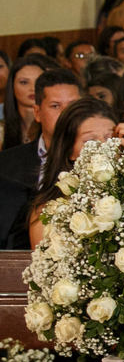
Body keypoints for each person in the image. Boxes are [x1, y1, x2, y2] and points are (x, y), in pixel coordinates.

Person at [0, 69, 83, 247]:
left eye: (73, 106)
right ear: (37, 112)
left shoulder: (97, 162)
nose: (66, 114)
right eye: (55, 106)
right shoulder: (6, 164)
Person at [27, 98, 124, 246]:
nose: (103, 146)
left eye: (110, 138)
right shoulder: (48, 211)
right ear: (69, 150)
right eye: (90, 140)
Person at [3, 55, 58, 149]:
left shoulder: (57, 126)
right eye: (24, 82)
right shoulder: (2, 131)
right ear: (12, 86)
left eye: (38, 81)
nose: (32, 88)